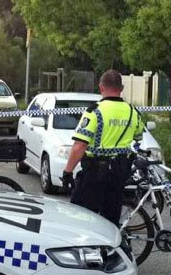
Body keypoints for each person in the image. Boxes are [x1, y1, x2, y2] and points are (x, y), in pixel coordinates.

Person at [61, 69, 144, 226]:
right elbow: (138, 137)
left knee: (80, 217)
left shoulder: (95, 111)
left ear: (101, 88)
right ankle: (109, 250)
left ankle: (84, 249)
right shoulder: (133, 112)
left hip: (95, 174)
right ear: (122, 88)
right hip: (119, 173)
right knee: (110, 221)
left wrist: (68, 171)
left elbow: (80, 145)